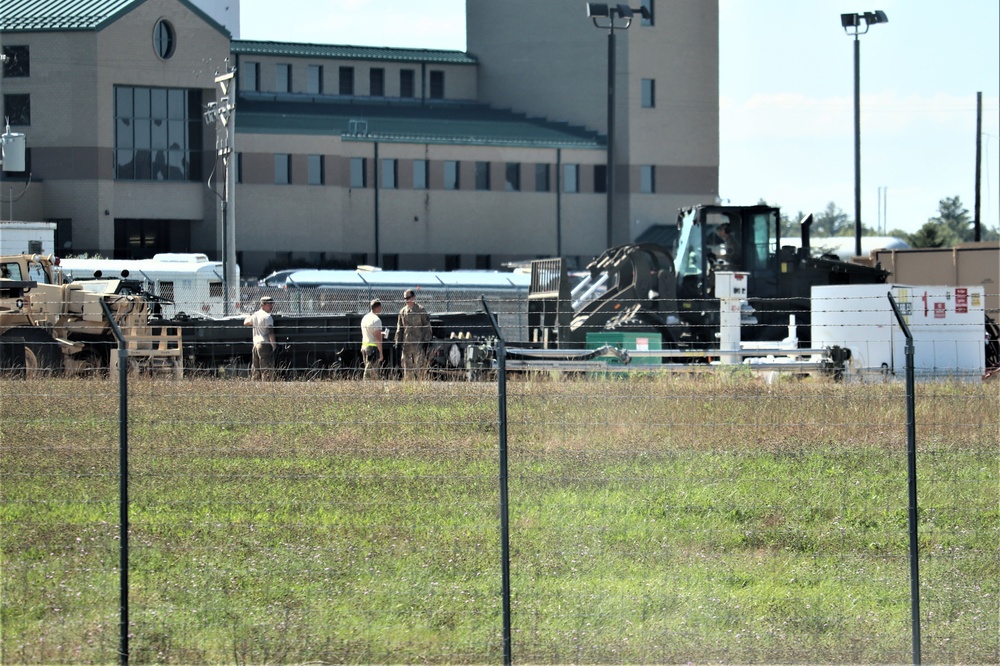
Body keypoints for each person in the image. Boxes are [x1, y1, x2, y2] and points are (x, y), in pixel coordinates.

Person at [394, 288, 432, 379]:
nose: (406, 300)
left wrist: (427, 342)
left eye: (408, 297)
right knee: (407, 372)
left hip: (418, 345)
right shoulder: (402, 312)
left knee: (420, 371)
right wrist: (397, 342)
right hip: (406, 346)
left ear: (414, 297)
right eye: (405, 298)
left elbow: (427, 326)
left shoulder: (420, 310)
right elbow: (400, 328)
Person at [243, 296, 277, 379]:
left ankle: (256, 387)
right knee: (266, 369)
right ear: (263, 305)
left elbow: (245, 323)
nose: (271, 306)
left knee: (256, 368)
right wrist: (274, 346)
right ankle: (266, 386)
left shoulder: (255, 315)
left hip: (256, 344)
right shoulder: (268, 317)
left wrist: (250, 315)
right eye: (269, 304)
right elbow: (270, 332)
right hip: (264, 344)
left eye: (271, 304)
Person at [360, 298, 386, 380]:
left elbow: (369, 332)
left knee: (368, 368)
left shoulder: (365, 318)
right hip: (372, 348)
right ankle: (368, 388)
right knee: (371, 373)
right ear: (378, 307)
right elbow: (378, 339)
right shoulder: (376, 320)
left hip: (364, 346)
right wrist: (381, 353)